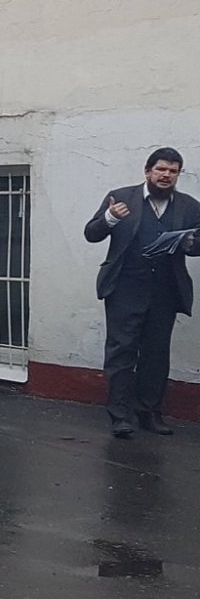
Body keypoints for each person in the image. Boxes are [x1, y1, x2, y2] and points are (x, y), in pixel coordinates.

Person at [84, 147, 200, 438]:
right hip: (124, 288)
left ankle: (150, 413)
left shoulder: (189, 206)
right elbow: (91, 233)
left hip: (165, 291)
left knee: (156, 355)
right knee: (121, 352)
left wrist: (190, 244)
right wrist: (110, 217)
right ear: (148, 171)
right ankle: (120, 416)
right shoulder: (121, 197)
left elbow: (198, 243)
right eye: (161, 169)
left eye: (173, 171)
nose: (166, 175)